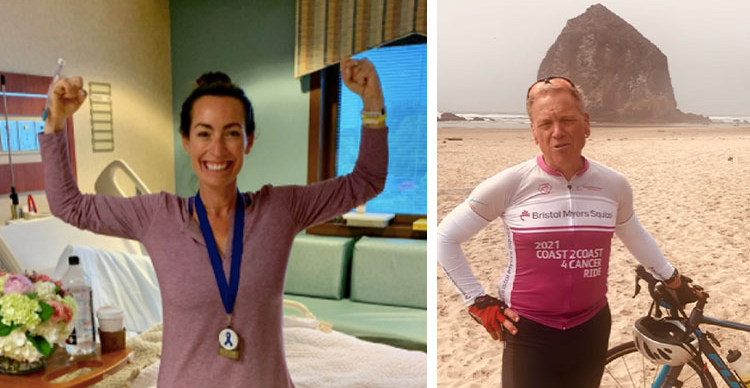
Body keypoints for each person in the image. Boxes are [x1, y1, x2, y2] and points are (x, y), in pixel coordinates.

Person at [40, 58, 387, 387]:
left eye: (232, 133)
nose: (217, 149)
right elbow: (69, 205)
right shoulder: (156, 217)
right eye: (204, 133)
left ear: (248, 140)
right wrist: (55, 123)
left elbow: (366, 181)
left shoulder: (281, 210)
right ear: (186, 140)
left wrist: (372, 102)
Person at [436, 76, 701, 388]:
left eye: (567, 120)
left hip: (591, 327)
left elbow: (634, 234)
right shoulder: (510, 184)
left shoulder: (614, 184)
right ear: (534, 132)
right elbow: (445, 238)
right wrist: (477, 301)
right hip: (528, 331)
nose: (557, 132)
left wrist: (672, 278)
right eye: (545, 123)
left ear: (586, 124)